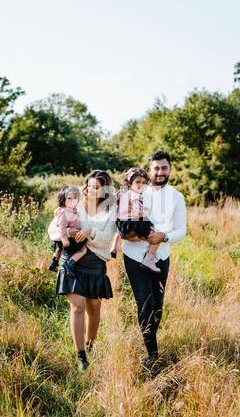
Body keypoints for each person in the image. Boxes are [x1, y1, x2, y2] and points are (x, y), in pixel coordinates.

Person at [121, 150, 187, 369]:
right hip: (134, 255)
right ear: (150, 170)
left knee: (158, 306)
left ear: (170, 169)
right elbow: (122, 220)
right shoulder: (138, 190)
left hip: (161, 256)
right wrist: (130, 234)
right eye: (156, 168)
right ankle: (152, 355)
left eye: (164, 168)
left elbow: (182, 230)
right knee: (145, 303)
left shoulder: (177, 197)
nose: (160, 172)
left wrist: (165, 236)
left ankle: (150, 339)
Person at [55, 170, 117, 371]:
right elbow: (53, 228)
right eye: (89, 186)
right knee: (78, 305)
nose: (91, 190)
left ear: (105, 189)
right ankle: (81, 355)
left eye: (97, 187)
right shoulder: (76, 203)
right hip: (72, 260)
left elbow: (107, 239)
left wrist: (91, 231)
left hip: (96, 262)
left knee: (94, 305)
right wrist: (69, 232)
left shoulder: (109, 211)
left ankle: (91, 345)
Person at [110, 168, 163, 273]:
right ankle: (149, 259)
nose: (140, 185)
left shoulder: (122, 192)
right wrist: (145, 212)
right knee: (158, 236)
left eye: (143, 183)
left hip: (123, 225)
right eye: (138, 182)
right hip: (134, 223)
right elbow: (137, 212)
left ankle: (114, 246)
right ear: (130, 183)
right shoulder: (135, 195)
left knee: (119, 225)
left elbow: (114, 202)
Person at [47, 186, 87, 275]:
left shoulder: (71, 209)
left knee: (59, 248)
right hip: (68, 239)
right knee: (83, 250)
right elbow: (61, 227)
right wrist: (65, 238)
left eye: (74, 198)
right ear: (63, 199)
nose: (72, 201)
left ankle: (54, 263)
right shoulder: (64, 212)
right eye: (69, 198)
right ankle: (69, 264)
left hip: (65, 239)